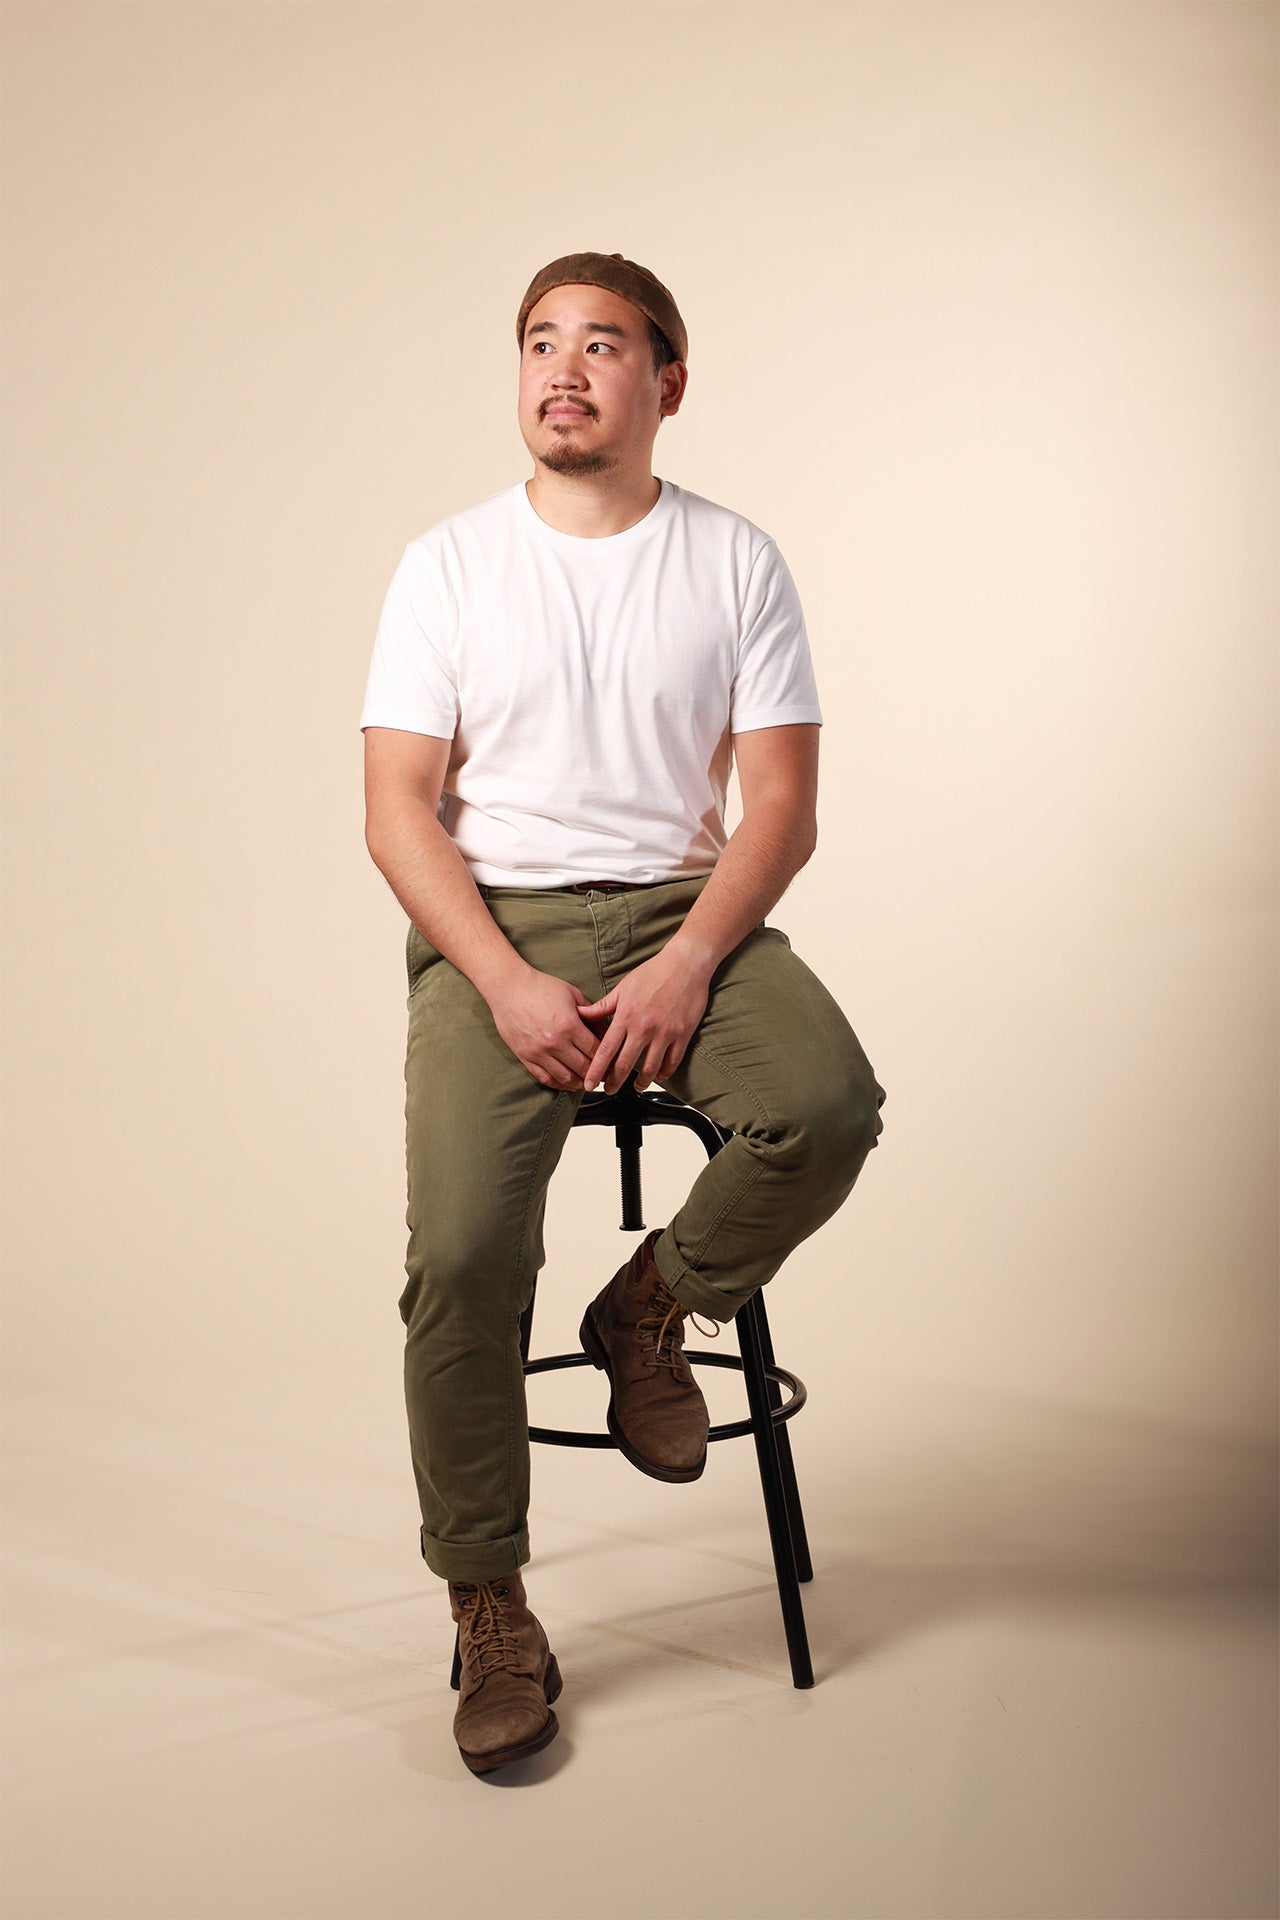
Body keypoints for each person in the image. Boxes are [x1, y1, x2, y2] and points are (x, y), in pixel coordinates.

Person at [360, 250, 886, 1776]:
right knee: (460, 1257)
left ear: (667, 382)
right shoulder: (445, 564)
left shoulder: (735, 558)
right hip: (496, 925)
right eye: (539, 342)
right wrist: (507, 980)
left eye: (603, 344)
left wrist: (685, 964)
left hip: (682, 909)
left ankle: (649, 1304)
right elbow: (399, 813)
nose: (564, 369)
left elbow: (780, 808)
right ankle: (488, 1600)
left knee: (827, 1107)